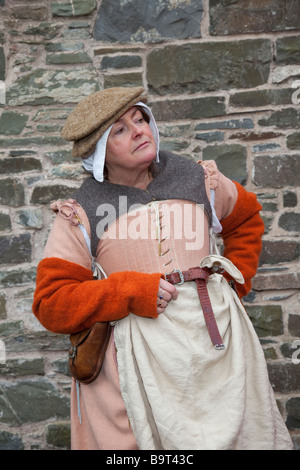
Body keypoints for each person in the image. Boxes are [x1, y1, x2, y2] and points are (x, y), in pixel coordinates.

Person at [32, 86, 293, 450]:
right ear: (100, 152)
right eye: (121, 129)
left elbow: (246, 218)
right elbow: (52, 302)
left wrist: (235, 280)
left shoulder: (196, 178)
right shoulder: (82, 212)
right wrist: (129, 292)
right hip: (139, 365)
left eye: (140, 119)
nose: (139, 130)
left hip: (218, 352)